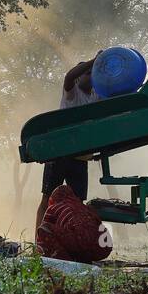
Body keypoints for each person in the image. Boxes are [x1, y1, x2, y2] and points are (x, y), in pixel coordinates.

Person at [35, 54, 102, 234]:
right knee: (47, 198)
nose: (91, 76)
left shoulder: (96, 95)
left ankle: (71, 242)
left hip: (81, 156)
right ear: (80, 76)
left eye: (93, 73)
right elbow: (69, 77)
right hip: (60, 152)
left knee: (77, 203)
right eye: (88, 73)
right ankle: (38, 241)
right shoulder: (72, 92)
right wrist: (95, 60)